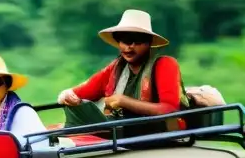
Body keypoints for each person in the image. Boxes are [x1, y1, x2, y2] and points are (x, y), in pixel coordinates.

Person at [56, 9, 190, 137]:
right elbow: (80, 92)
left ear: (149, 43)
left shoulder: (165, 64)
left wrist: (123, 101)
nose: (129, 46)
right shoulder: (115, 68)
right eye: (124, 40)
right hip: (121, 133)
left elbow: (169, 109)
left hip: (159, 135)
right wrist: (66, 95)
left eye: (137, 40)